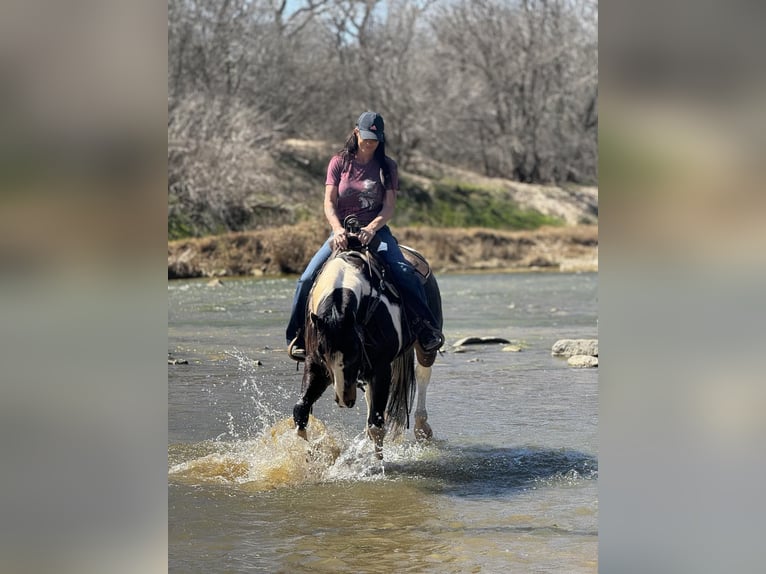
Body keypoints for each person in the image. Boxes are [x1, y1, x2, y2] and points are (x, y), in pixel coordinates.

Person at [286, 111, 444, 360]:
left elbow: (389, 207)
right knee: (306, 279)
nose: (371, 142)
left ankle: (425, 329)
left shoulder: (387, 166)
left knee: (404, 272)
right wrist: (337, 229)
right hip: (342, 230)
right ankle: (297, 336)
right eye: (367, 137)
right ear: (356, 132)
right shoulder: (339, 162)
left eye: (376, 138)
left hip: (375, 231)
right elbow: (329, 202)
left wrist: (372, 228)